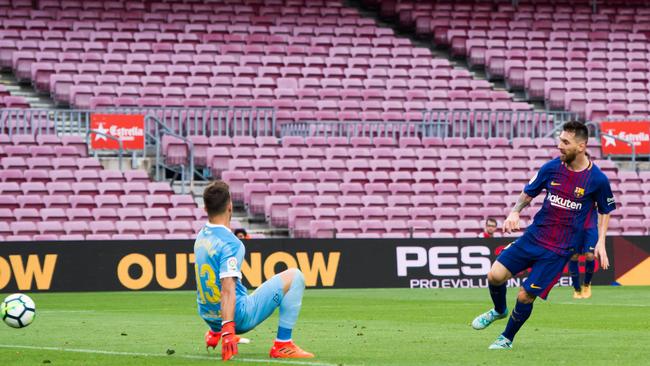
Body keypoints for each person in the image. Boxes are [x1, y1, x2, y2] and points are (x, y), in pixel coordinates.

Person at [470, 121, 615, 350]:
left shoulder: (597, 180)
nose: (559, 146)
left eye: (565, 142)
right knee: (494, 276)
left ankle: (506, 338)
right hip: (533, 237)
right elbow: (529, 193)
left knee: (525, 296)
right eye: (560, 140)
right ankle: (498, 310)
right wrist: (514, 212)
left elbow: (605, 210)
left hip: (558, 250)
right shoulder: (551, 168)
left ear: (581, 146)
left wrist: (601, 241)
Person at [193, 180, 314, 361]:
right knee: (296, 276)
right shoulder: (231, 243)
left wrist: (216, 328)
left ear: (205, 209)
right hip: (237, 318)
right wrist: (228, 329)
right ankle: (283, 344)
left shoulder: (201, 236)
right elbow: (226, 287)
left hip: (209, 316)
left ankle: (215, 331)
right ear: (230, 207)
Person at [569, 205, 598, 299]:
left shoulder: (594, 190)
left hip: (590, 226)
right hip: (574, 227)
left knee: (589, 255)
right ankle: (577, 289)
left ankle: (586, 284)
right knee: (573, 256)